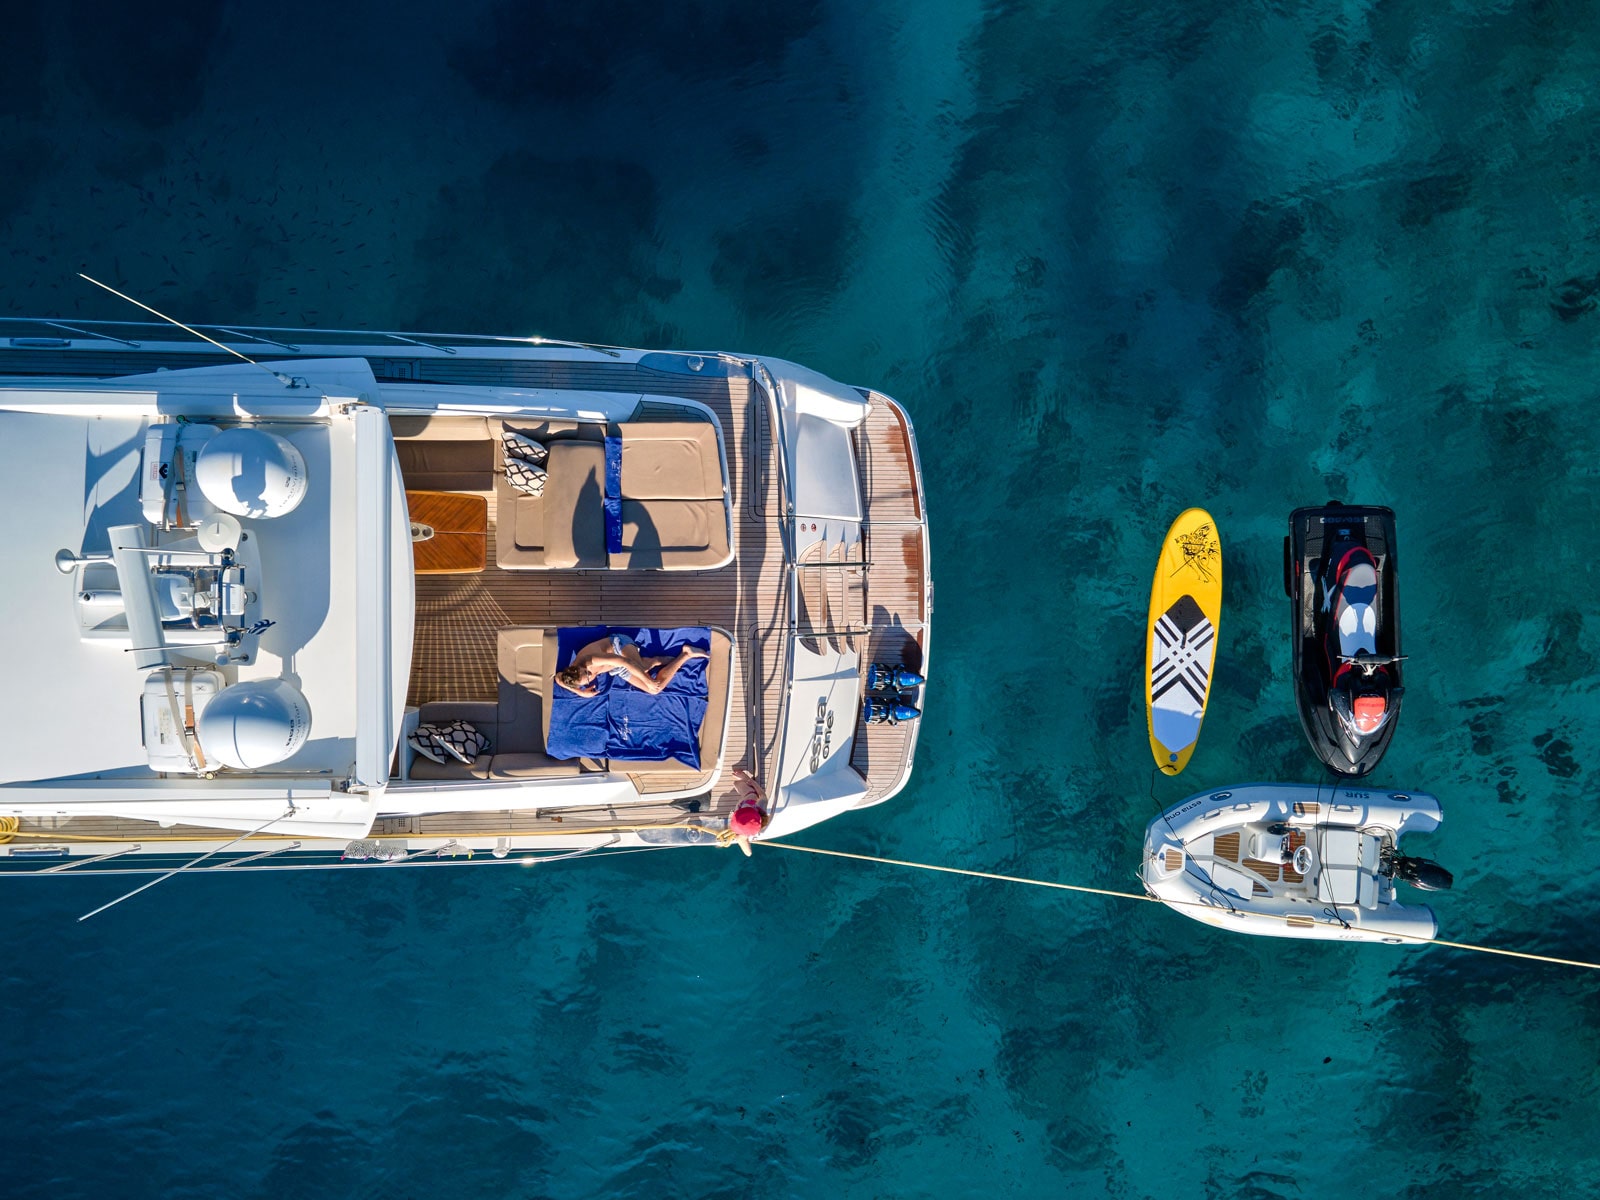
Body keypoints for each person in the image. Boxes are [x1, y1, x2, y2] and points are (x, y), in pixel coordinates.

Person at [553, 633, 709, 697]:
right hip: (616, 667)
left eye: (586, 673)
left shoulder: (589, 660)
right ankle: (684, 655)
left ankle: (653, 661)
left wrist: (646, 679)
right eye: (586, 680)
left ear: (577, 668)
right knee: (654, 690)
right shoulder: (570, 677)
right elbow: (558, 679)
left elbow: (625, 661)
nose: (589, 676)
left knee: (642, 669)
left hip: (618, 646)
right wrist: (580, 692)